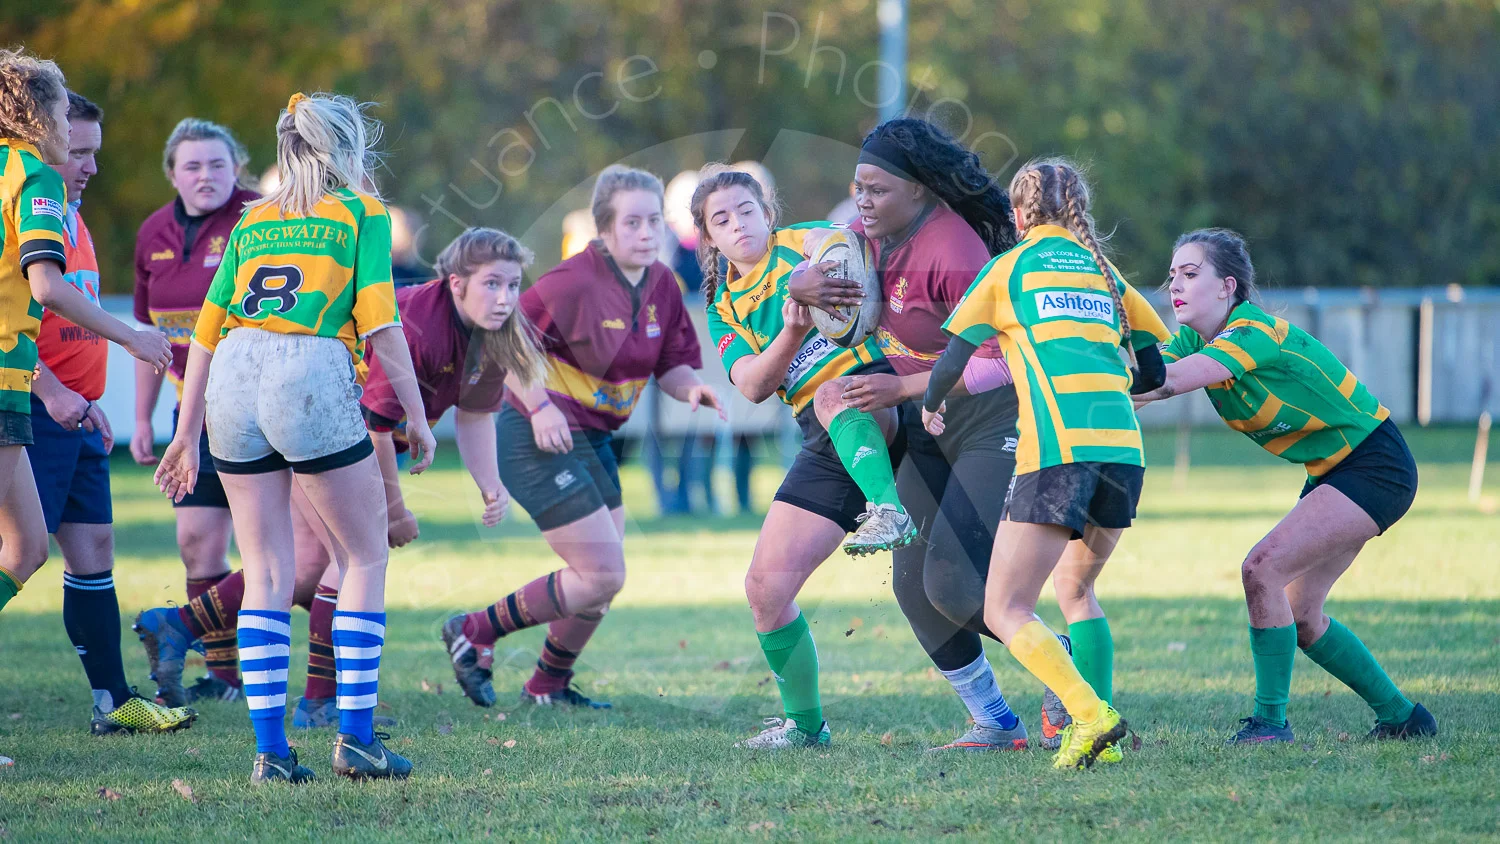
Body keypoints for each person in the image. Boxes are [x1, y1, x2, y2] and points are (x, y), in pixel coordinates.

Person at [154, 91, 435, 783]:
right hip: (306, 366)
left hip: (233, 376)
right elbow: (380, 324)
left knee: (268, 574)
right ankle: (358, 741)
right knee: (365, 558)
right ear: (349, 149)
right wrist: (419, 415)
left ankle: (271, 754)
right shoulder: (362, 213)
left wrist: (186, 433)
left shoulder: (252, 219)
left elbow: (206, 331)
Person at [1135, 228, 1437, 744]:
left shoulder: (1253, 332)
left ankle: (1270, 724)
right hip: (1334, 472)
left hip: (1374, 463)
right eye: (1171, 276)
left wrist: (1103, 373)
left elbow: (1167, 381)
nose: (1174, 286)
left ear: (1228, 286)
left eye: (1190, 274)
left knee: (1262, 569)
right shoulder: (1195, 339)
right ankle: (1404, 718)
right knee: (1300, 617)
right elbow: (1147, 381)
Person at [440, 165, 723, 711]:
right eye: (633, 223)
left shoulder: (663, 283)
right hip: (532, 433)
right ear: (605, 230)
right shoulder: (573, 281)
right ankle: (473, 630)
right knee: (602, 573)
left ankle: (547, 685)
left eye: (654, 222)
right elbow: (503, 336)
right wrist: (540, 405)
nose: (646, 234)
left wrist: (691, 389)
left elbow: (672, 365)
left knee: (603, 579)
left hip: (591, 438)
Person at [788, 118, 1030, 751]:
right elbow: (807, 250)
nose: (862, 201)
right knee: (913, 587)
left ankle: (1066, 668)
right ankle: (995, 722)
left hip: (991, 422)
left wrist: (901, 388)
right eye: (857, 187)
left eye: (877, 189)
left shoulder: (953, 252)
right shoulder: (868, 239)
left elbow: (1007, 358)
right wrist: (803, 286)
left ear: (921, 191)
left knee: (952, 584)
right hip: (932, 424)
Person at [922, 158, 1169, 769]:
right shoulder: (1104, 272)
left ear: (1020, 214)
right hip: (1125, 454)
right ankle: (1100, 741)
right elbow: (1156, 370)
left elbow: (953, 359)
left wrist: (929, 405)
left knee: (1005, 607)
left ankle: (1090, 714)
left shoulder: (1008, 269)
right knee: (1078, 590)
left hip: (1058, 453)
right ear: (1077, 209)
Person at [693, 165, 895, 749]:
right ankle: (807, 728)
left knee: (959, 584)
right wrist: (792, 319)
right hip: (822, 431)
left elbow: (839, 243)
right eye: (721, 220)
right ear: (709, 238)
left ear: (768, 212)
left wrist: (806, 276)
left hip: (879, 390)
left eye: (746, 211)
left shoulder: (795, 242)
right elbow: (753, 384)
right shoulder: (724, 305)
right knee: (765, 589)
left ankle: (890, 507)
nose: (738, 226)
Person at [18, 86, 194, 735]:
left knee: (92, 553)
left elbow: (69, 316)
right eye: (78, 151)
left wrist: (85, 399)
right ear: (41, 146)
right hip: (34, 412)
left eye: (95, 151)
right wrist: (53, 392)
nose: (91, 166)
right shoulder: (24, 212)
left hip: (74, 415)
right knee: (18, 555)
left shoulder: (72, 216)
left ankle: (113, 702)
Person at [0, 50, 176, 612]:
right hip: (8, 375)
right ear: (40, 117)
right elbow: (48, 287)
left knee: (26, 550)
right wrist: (134, 338)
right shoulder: (36, 178)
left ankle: (113, 701)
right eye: (59, 114)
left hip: (19, 380)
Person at [130, 116, 259, 704]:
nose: (206, 175)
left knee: (282, 550)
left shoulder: (261, 220)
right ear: (172, 174)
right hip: (195, 418)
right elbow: (146, 336)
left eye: (217, 163)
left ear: (238, 167)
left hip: (263, 413)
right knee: (197, 543)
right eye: (192, 165)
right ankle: (224, 676)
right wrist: (142, 419)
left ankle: (309, 682)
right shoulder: (152, 232)